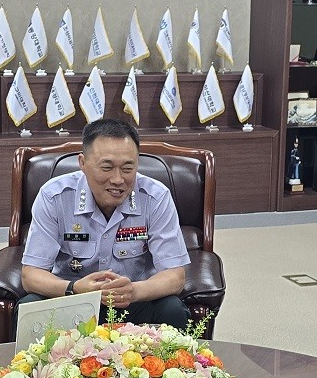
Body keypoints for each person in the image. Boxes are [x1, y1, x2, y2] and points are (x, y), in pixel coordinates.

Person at [20, 118, 190, 327]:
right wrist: (74, 288)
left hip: (133, 302)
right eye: (107, 167)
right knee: (29, 306)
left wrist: (133, 291)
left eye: (127, 168)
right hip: (72, 302)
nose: (118, 179)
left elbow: (175, 276)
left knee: (172, 310)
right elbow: (31, 275)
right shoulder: (54, 196)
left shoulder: (156, 197)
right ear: (82, 163)